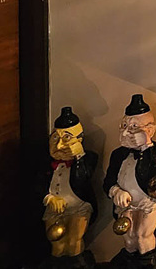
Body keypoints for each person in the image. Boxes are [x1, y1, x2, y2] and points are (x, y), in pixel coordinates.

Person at [103, 95, 156, 269]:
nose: (126, 132)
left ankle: (148, 263)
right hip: (127, 205)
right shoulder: (118, 154)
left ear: (150, 130)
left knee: (142, 236)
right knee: (129, 239)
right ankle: (130, 262)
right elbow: (108, 181)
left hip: (148, 203)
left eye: (134, 127)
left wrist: (145, 147)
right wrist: (115, 191)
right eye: (124, 126)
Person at [43, 107, 98, 266]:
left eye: (67, 138)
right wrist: (49, 198)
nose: (59, 145)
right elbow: (38, 184)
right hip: (54, 209)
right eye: (55, 138)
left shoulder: (89, 159)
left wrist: (79, 156)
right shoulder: (45, 162)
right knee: (57, 243)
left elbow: (82, 179)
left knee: (74, 241)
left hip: (78, 207)